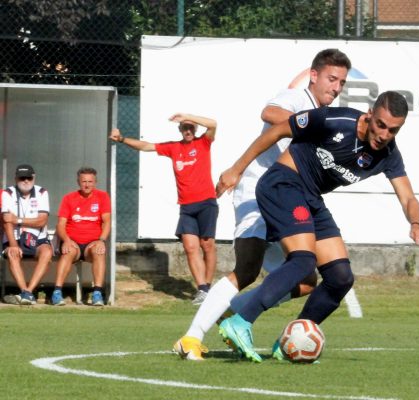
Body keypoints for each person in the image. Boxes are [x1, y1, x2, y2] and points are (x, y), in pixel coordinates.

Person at [216, 91, 419, 362]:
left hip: (311, 199)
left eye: (393, 130)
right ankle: (240, 322)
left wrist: (416, 223)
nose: (385, 134)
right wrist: (236, 169)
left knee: (340, 278)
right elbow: (276, 132)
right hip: (283, 183)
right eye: (381, 125)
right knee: (303, 262)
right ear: (370, 114)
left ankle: (289, 342)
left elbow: (408, 196)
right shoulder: (335, 119)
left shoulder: (389, 154)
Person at [172, 49, 351, 361]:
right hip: (258, 189)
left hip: (287, 197)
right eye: (331, 79)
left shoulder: (324, 116)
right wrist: (310, 127)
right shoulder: (297, 99)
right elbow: (270, 113)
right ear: (314, 75)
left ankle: (235, 312)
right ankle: (191, 338)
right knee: (248, 267)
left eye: (342, 83)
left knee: (307, 280)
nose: (336, 87)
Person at [110, 113, 218, 306]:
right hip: (186, 206)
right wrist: (122, 139)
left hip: (206, 202)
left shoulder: (203, 143)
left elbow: (213, 123)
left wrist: (187, 116)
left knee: (207, 245)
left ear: (195, 129)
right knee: (190, 247)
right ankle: (202, 290)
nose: (188, 131)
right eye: (184, 127)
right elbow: (146, 146)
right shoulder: (173, 147)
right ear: (179, 130)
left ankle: (209, 286)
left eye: (191, 127)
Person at [51, 167, 111, 306]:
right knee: (68, 251)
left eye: (90, 181)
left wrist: (102, 240)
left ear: (95, 182)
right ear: (78, 181)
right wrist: (65, 240)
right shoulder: (69, 198)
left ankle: (97, 293)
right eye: (84, 181)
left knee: (99, 251)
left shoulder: (103, 197)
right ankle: (57, 293)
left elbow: (107, 222)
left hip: (93, 243)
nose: (87, 184)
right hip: (72, 242)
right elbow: (61, 224)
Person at [1, 164, 52, 305]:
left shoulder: (42, 192)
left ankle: (28, 291)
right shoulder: (8, 193)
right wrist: (13, 244)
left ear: (33, 178)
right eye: (22, 178)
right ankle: (25, 291)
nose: (26, 181)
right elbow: (6, 221)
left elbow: (42, 221)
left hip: (38, 238)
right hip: (14, 238)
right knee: (12, 252)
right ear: (16, 178)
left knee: (47, 252)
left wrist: (17, 219)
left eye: (29, 177)